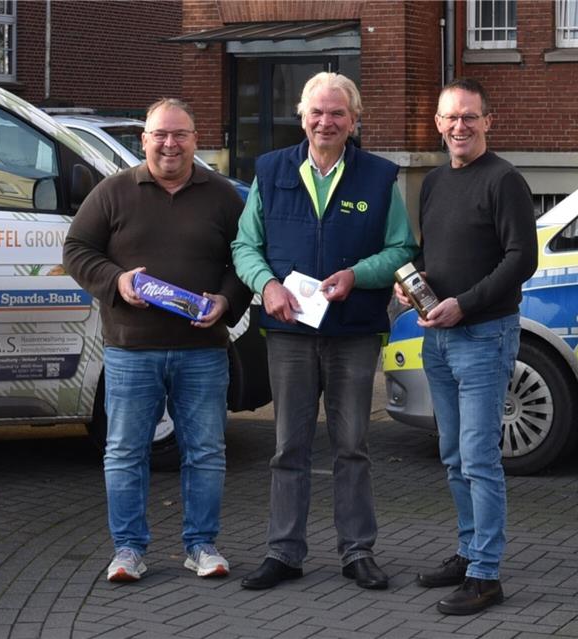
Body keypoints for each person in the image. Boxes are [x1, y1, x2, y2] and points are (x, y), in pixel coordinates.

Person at [232, 72, 418, 591]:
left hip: (353, 333)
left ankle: (357, 551)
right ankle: (283, 551)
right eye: (316, 112)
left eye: (337, 113)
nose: (326, 121)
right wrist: (267, 285)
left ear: (354, 121)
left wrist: (358, 275)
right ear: (302, 117)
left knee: (352, 446)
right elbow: (245, 245)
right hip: (289, 331)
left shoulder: (378, 177)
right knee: (287, 446)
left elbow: (402, 249)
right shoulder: (271, 171)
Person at [63, 98, 250, 583]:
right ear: (144, 140)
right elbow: (76, 250)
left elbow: (248, 259)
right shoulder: (113, 192)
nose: (170, 144)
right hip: (131, 349)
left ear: (195, 140)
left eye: (180, 135)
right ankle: (128, 550)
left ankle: (201, 545)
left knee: (205, 452)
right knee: (125, 452)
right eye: (161, 135)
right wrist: (117, 281)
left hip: (203, 350)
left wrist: (227, 300)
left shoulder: (223, 196)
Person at [395, 78, 537, 615]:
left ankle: (486, 575)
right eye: (451, 117)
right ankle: (468, 550)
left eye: (469, 117)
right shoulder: (434, 182)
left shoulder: (504, 180)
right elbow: (437, 255)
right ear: (437, 123)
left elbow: (522, 258)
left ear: (487, 122)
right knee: (453, 455)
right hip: (438, 336)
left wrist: (465, 304)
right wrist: (415, 283)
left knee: (479, 458)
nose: (460, 126)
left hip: (483, 336)